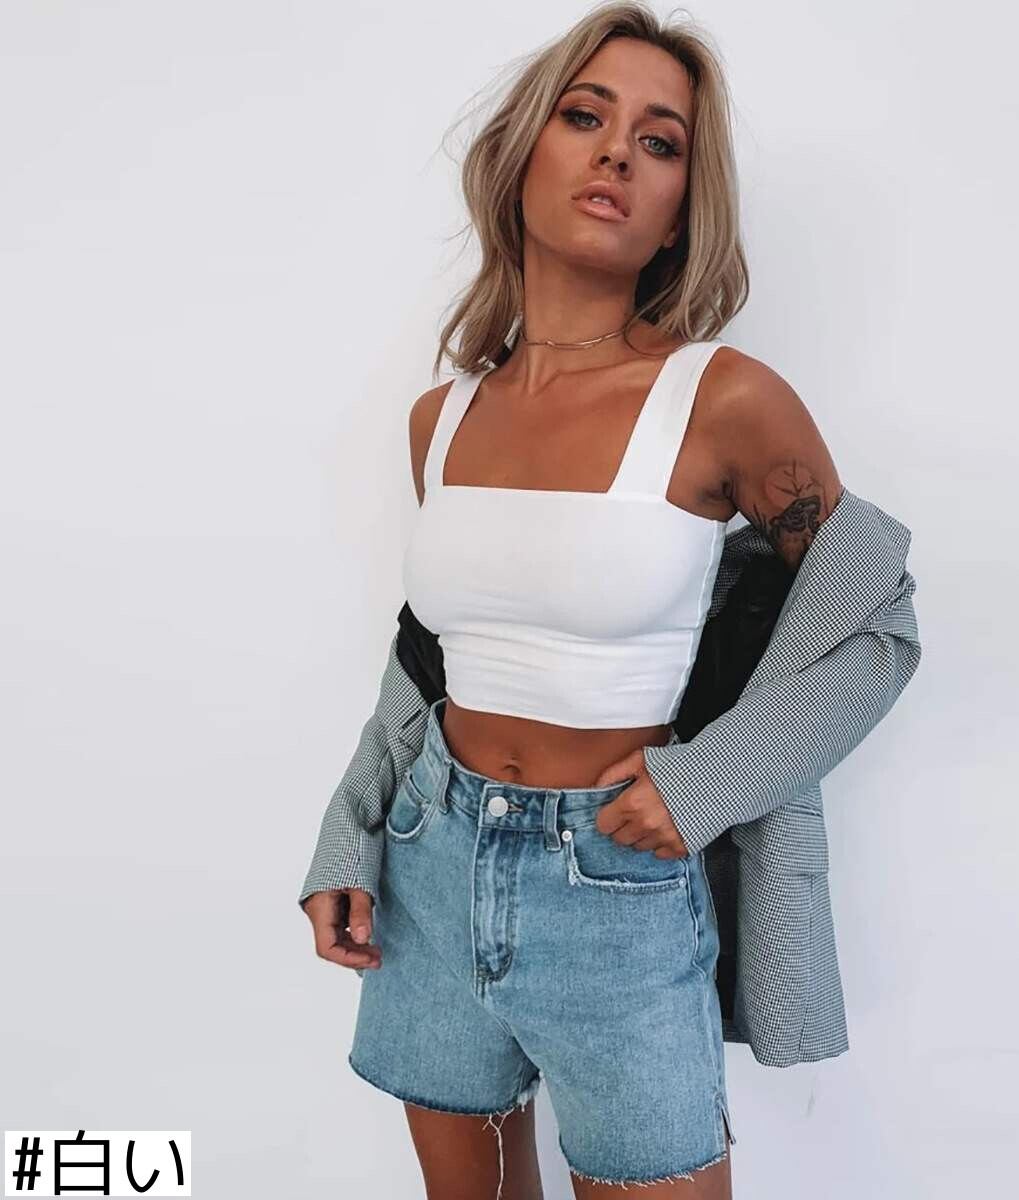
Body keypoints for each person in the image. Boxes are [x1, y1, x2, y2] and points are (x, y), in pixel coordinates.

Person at [300, 5, 921, 1197]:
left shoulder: (727, 402)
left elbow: (874, 622)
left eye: (660, 140)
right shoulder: (442, 421)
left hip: (617, 886)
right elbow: (429, 657)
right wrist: (351, 829)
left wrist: (705, 785)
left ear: (681, 207)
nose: (617, 153)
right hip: (430, 865)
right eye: (585, 117)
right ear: (521, 153)